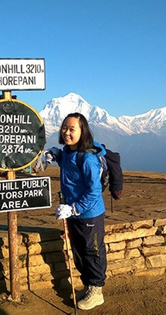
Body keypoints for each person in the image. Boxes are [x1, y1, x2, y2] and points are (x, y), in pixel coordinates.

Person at [49, 112, 107, 311]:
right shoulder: (67, 152)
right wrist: (54, 153)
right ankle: (89, 285)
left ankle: (97, 290)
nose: (67, 132)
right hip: (73, 213)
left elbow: (94, 190)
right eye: (65, 128)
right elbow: (68, 165)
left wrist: (74, 208)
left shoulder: (88, 158)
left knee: (92, 251)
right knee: (79, 252)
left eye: (72, 129)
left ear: (83, 132)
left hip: (89, 213)